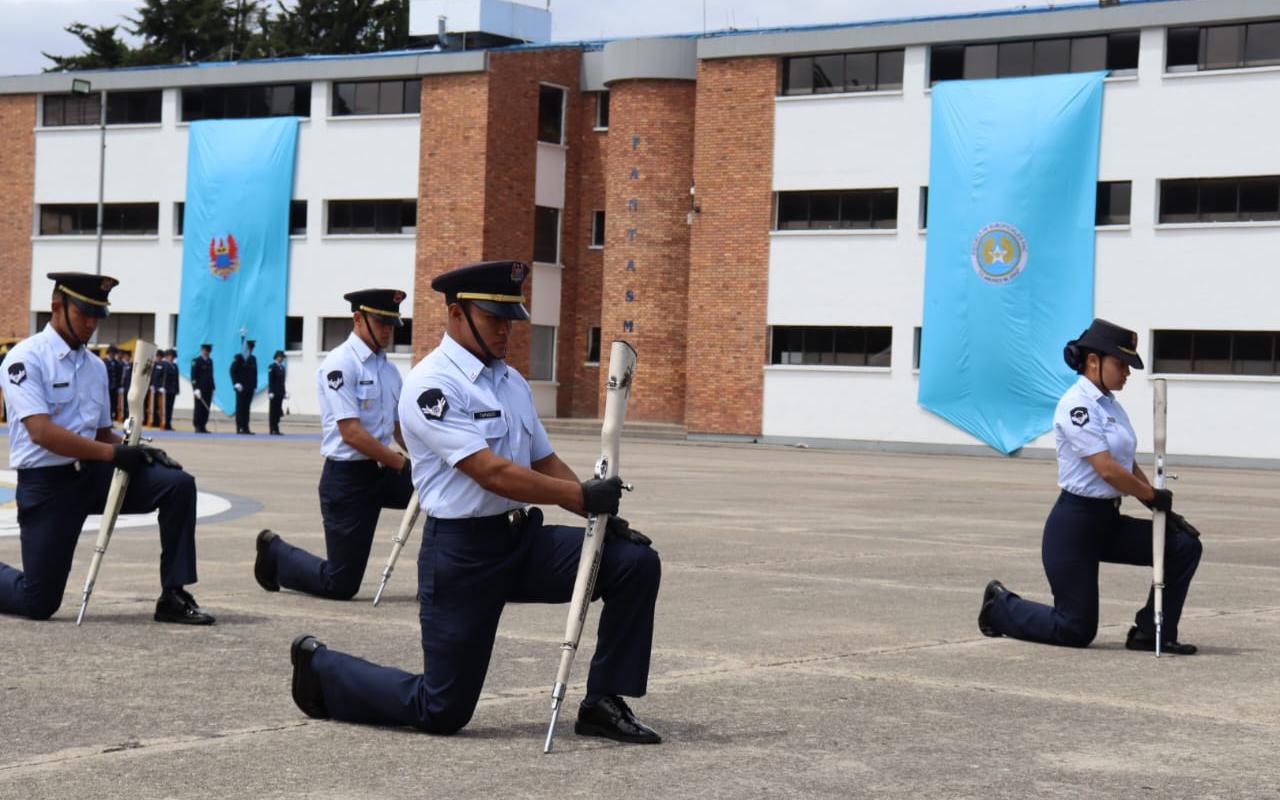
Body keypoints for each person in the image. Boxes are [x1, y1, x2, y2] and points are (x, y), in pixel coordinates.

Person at [288, 260, 661, 744]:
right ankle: (322, 669)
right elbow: (491, 471)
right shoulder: (432, 385)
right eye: (494, 319)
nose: (507, 330)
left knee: (633, 563)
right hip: (461, 556)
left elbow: (542, 458)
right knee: (442, 709)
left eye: (511, 320)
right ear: (457, 314)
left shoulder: (511, 382)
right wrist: (579, 494)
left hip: (518, 541)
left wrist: (598, 514)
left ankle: (603, 701)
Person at [0, 272, 214, 623]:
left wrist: (140, 450)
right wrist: (114, 455)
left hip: (94, 475)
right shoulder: (26, 359)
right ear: (57, 307)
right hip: (48, 486)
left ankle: (174, 594)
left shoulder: (94, 366)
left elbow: (101, 433)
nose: (91, 324)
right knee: (38, 603)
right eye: (85, 313)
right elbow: (41, 432)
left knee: (177, 485)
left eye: (98, 315)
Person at [978, 319, 1202, 654]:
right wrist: (1152, 495)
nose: (1127, 371)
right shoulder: (1077, 405)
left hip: (1108, 522)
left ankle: (1151, 632)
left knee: (1184, 546)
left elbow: (1126, 463)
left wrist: (1156, 507)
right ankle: (999, 607)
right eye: (1121, 364)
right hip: (1075, 525)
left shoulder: (1110, 405)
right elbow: (1107, 469)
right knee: (1075, 629)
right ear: (1093, 361)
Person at [254, 291, 413, 599]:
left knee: (439, 496)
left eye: (392, 324)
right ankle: (275, 553)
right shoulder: (341, 364)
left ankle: (438, 582)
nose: (388, 330)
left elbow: (398, 428)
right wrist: (401, 463)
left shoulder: (389, 371)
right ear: (358, 319)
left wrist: (425, 461)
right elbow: (351, 432)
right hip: (348, 480)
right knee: (340, 585)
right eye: (381, 322)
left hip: (384, 471)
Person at [231, 340, 258, 434]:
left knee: (247, 408)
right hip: (241, 388)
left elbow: (255, 374)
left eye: (252, 348)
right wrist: (236, 383)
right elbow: (232, 371)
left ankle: (246, 427)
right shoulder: (239, 358)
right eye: (249, 348)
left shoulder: (253, 359)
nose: (250, 350)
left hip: (249, 387)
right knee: (240, 408)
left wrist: (255, 386)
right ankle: (240, 428)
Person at [191, 343, 215, 434]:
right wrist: (195, 388)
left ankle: (203, 425)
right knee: (199, 408)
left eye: (208, 351)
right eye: (205, 351)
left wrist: (213, 387)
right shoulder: (196, 361)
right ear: (202, 350)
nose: (206, 353)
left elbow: (210, 375)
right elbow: (193, 376)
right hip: (199, 389)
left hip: (208, 388)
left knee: (206, 408)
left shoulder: (210, 361)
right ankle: (197, 426)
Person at [268, 350, 287, 435]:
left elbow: (282, 382)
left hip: (280, 392)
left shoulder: (282, 368)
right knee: (273, 411)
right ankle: (272, 428)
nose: (282, 359)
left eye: (283, 357)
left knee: (278, 411)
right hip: (274, 392)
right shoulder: (272, 366)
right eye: (281, 357)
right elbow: (271, 380)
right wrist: (270, 391)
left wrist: (284, 392)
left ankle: (276, 428)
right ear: (277, 357)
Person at [162, 349, 180, 431]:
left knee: (170, 408)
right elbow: (159, 377)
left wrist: (177, 389)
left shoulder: (175, 365)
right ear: (167, 356)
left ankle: (168, 424)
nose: (172, 358)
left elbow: (176, 379)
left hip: (172, 390)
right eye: (170, 356)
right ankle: (164, 423)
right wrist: (160, 386)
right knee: (165, 408)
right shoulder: (163, 364)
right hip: (165, 389)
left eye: (173, 357)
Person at [148, 348, 166, 429]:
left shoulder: (163, 365)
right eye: (157, 356)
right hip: (153, 388)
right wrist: (151, 385)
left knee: (159, 407)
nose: (158, 358)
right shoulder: (153, 365)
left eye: (159, 356)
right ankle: (152, 421)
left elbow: (164, 377)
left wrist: (162, 386)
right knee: (152, 406)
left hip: (159, 389)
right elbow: (150, 376)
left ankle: (158, 422)